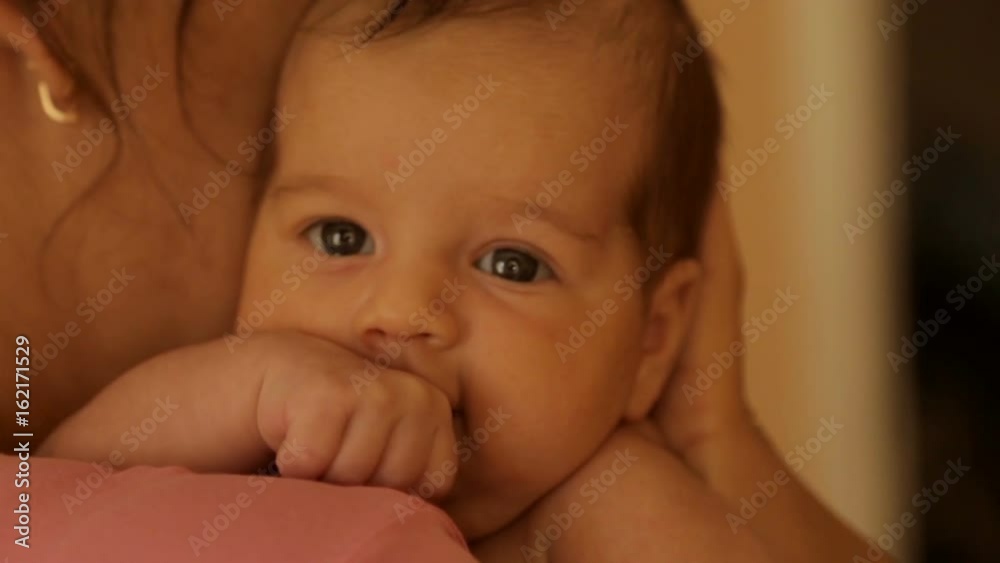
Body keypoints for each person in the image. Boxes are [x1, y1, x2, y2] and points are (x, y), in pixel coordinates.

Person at [2, 1, 889, 562]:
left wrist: (718, 438)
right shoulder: (239, 418)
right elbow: (58, 500)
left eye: (512, 263)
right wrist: (243, 389)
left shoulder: (614, 504)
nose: (402, 311)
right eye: (339, 235)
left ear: (654, 338)